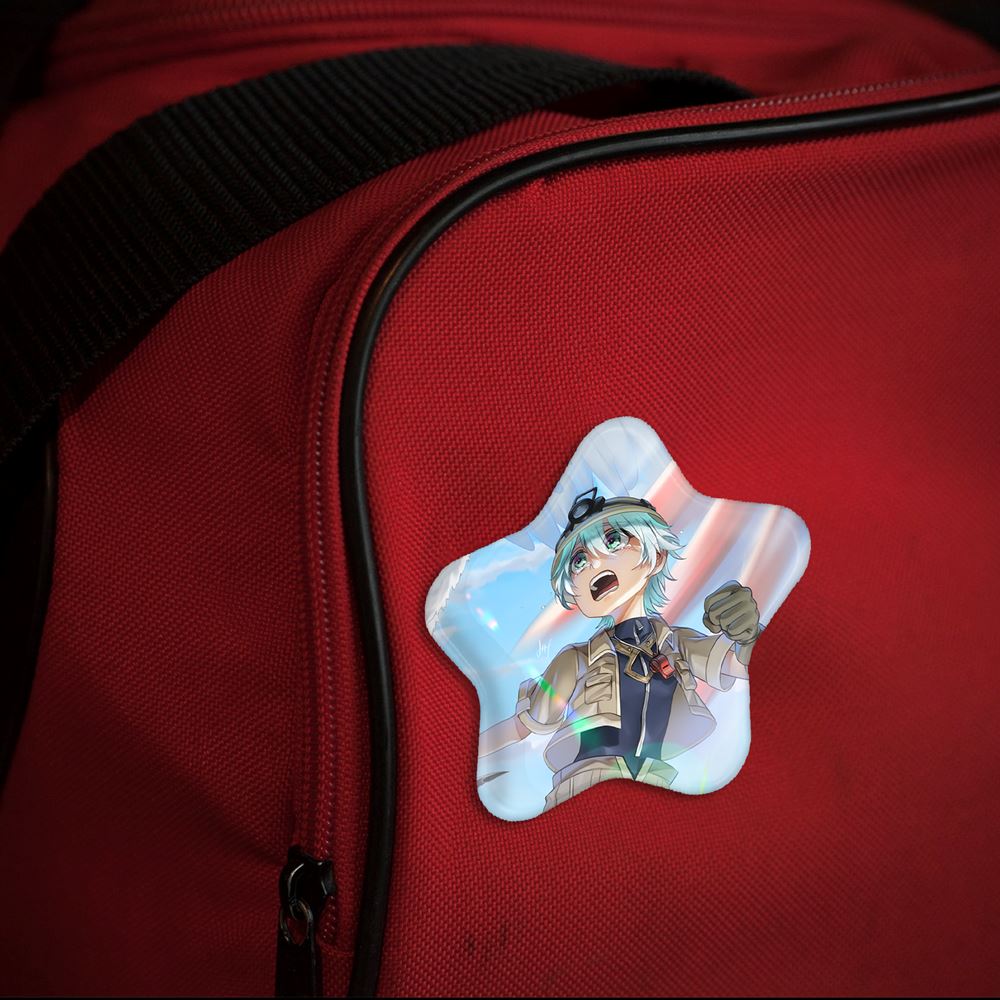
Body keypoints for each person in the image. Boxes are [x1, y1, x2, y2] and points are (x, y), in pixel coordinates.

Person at [479, 487, 761, 811]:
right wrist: (464, 754)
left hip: (656, 786)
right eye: (579, 561)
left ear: (656, 557)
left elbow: (737, 664)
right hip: (583, 787)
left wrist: (747, 632)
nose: (593, 564)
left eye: (613, 541)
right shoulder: (576, 660)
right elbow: (521, 726)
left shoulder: (674, 644)